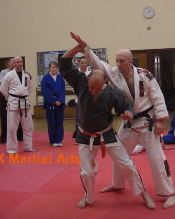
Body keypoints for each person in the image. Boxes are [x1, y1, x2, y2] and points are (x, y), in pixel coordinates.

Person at [70, 32, 175, 208]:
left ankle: (169, 193)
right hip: (129, 123)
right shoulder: (113, 74)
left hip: (148, 121)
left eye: (122, 61)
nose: (118, 64)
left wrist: (160, 121)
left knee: (157, 158)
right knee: (120, 156)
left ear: (130, 61)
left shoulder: (145, 75)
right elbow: (98, 64)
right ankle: (118, 184)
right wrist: (86, 48)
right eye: (117, 60)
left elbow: (157, 96)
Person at [59, 49, 156, 209]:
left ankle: (143, 193)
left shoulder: (113, 92)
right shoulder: (81, 82)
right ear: (87, 81)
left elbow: (126, 108)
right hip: (85, 136)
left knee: (127, 165)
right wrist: (77, 48)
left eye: (98, 88)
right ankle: (88, 196)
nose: (94, 91)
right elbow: (65, 65)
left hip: (107, 134)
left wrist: (127, 113)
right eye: (92, 88)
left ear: (105, 83)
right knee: (87, 173)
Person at [0, 56, 35, 154]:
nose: (20, 64)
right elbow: (2, 88)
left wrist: (23, 95)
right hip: (13, 102)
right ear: (14, 64)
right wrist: (9, 97)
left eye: (21, 62)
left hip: (25, 102)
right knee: (12, 127)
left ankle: (28, 147)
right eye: (17, 62)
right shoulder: (9, 75)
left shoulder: (27, 76)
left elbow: (30, 89)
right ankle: (12, 149)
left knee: (28, 127)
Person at [41, 61, 65, 147]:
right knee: (52, 122)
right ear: (49, 68)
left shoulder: (60, 78)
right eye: (52, 67)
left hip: (60, 103)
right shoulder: (45, 78)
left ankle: (59, 140)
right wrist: (54, 101)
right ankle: (53, 140)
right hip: (50, 104)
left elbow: (63, 90)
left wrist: (60, 100)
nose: (54, 69)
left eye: (55, 67)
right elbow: (44, 92)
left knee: (59, 122)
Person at [0, 58, 23, 144]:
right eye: (12, 62)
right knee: (6, 117)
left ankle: (19, 136)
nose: (13, 64)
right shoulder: (4, 72)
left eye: (15, 62)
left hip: (17, 97)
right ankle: (4, 137)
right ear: (8, 63)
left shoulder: (20, 72)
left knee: (19, 116)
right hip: (6, 95)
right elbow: (3, 84)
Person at [73, 56, 92, 140]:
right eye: (82, 63)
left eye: (85, 63)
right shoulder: (76, 73)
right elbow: (73, 86)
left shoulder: (91, 73)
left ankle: (91, 135)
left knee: (90, 119)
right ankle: (79, 136)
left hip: (90, 100)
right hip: (80, 100)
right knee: (79, 119)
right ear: (79, 63)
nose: (84, 64)